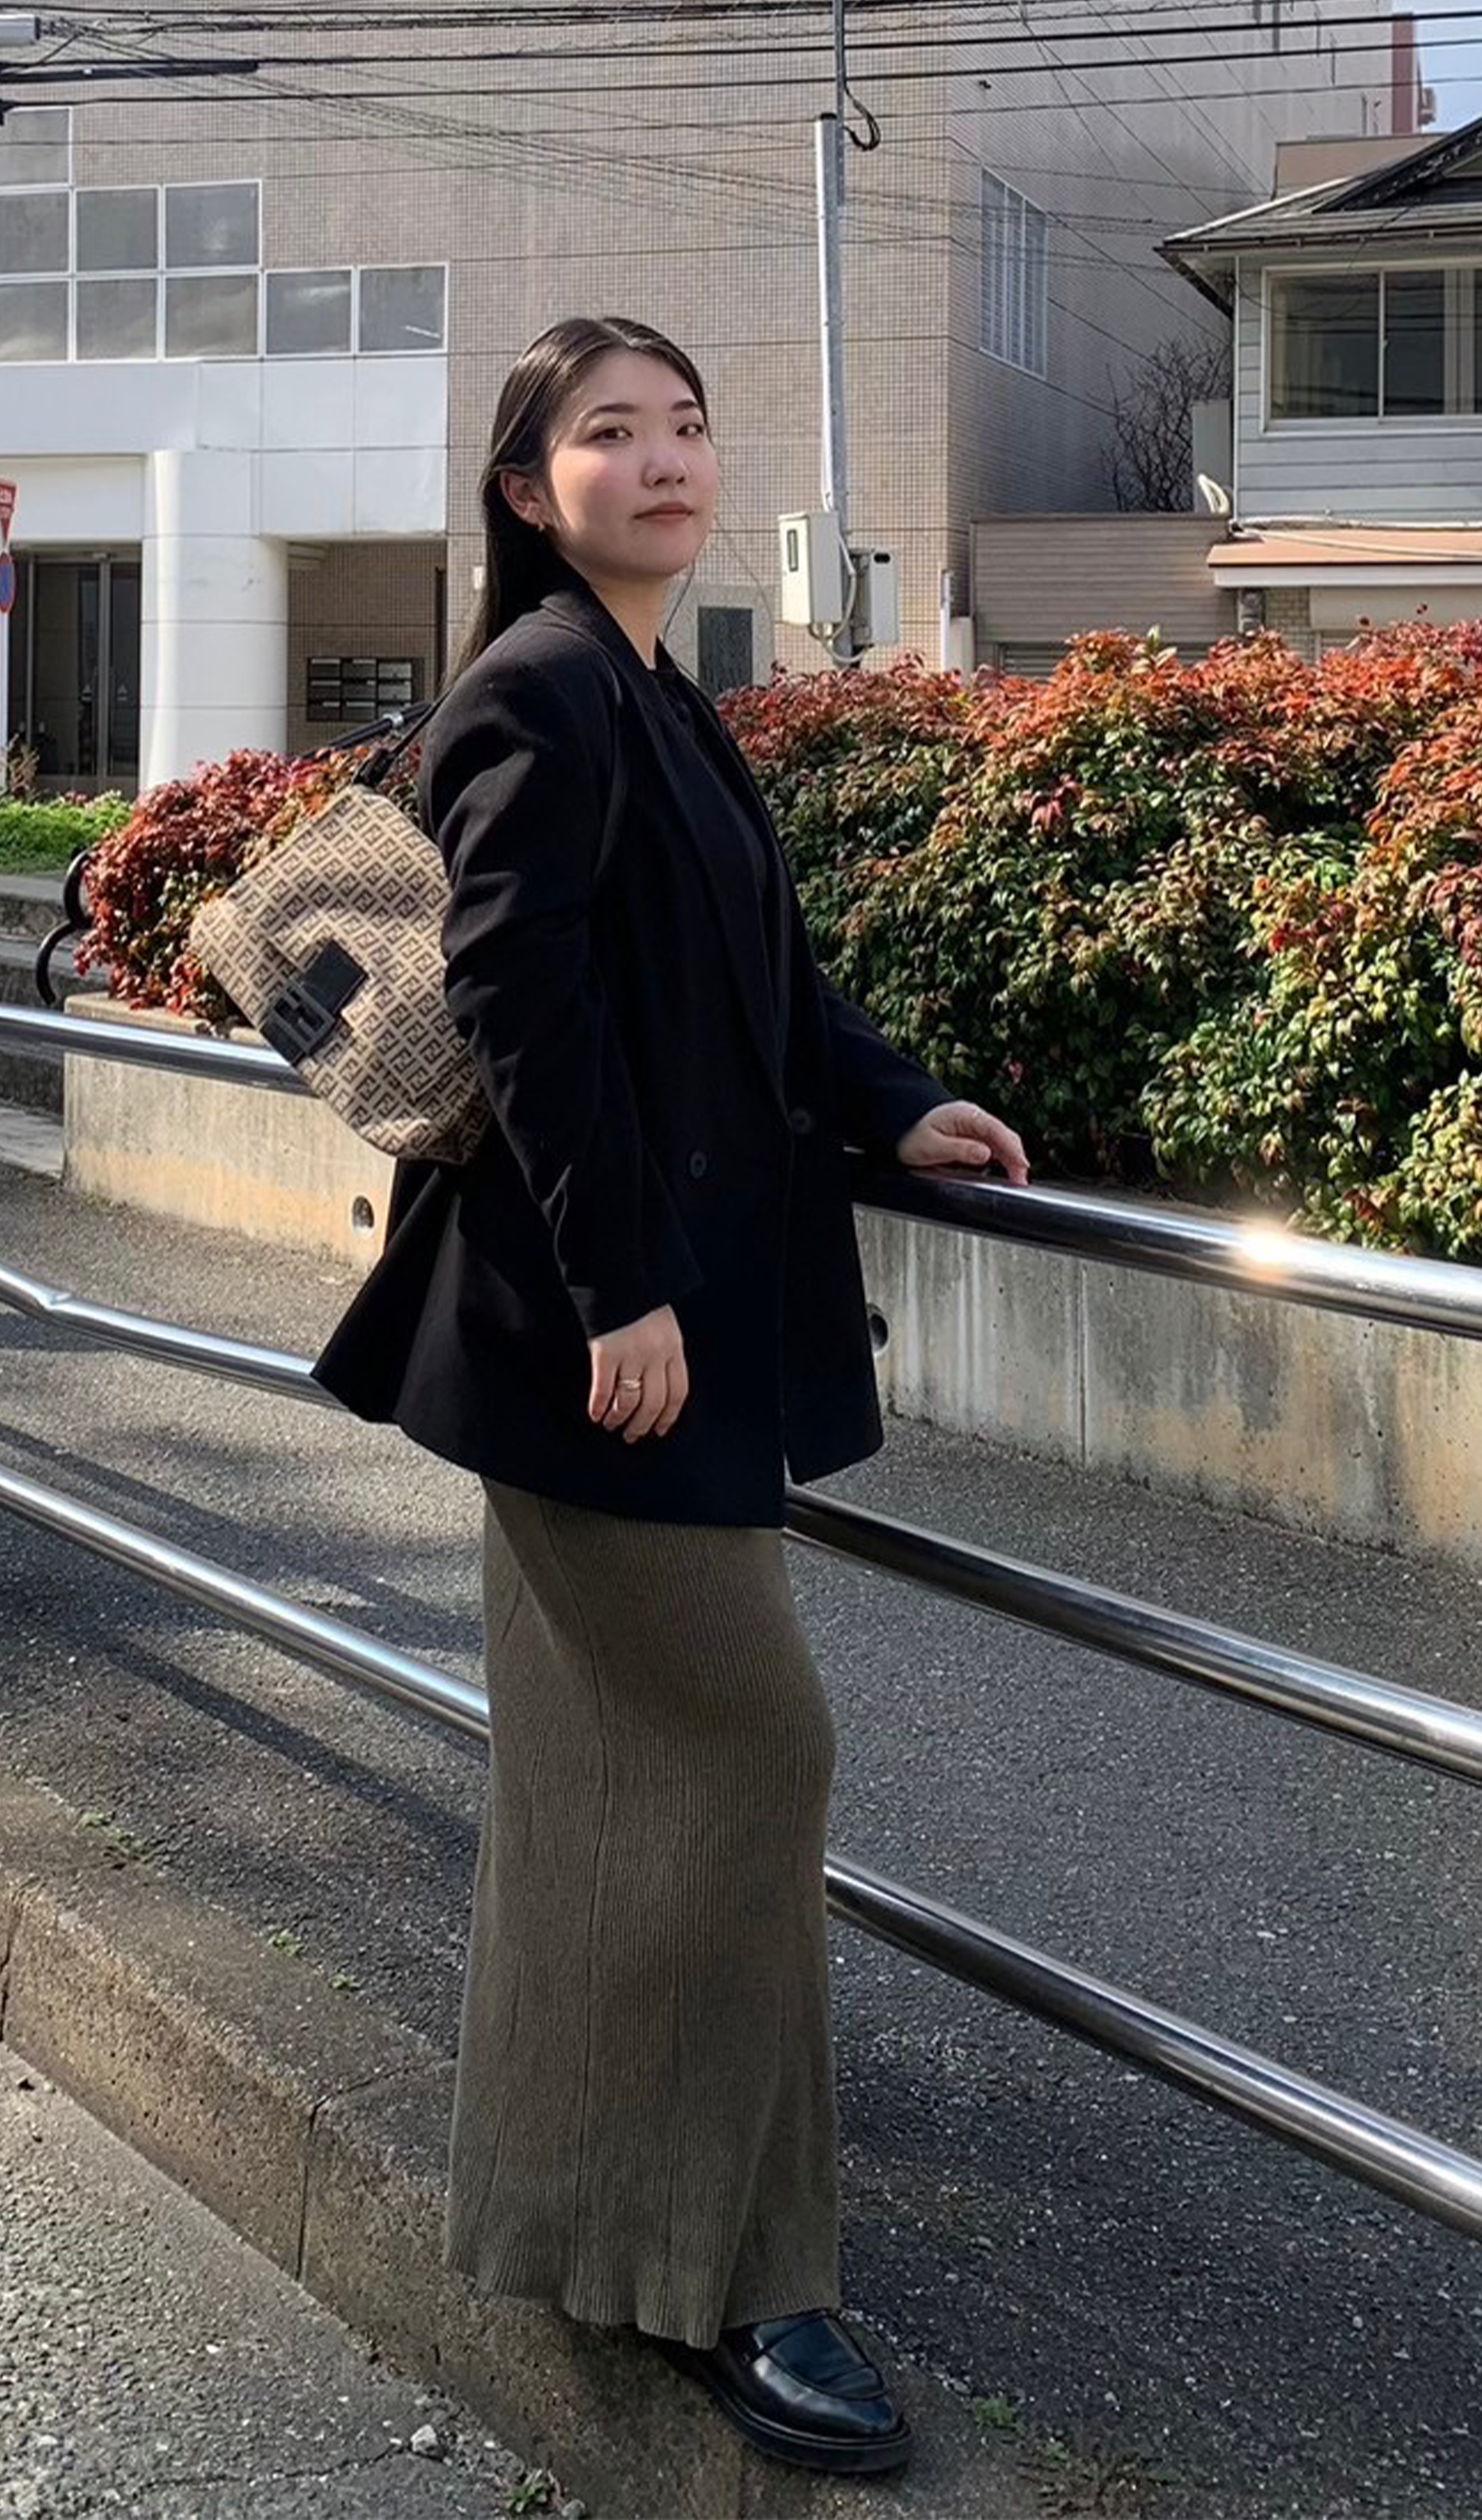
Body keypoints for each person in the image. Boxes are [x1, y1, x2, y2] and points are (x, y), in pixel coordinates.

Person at [314, 315, 1028, 2480]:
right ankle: (734, 2280)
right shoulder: (540, 689)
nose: (666, 460)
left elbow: (761, 986)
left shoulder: (657, 692)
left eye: (690, 426)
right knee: (737, 1759)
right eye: (610, 432)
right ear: (526, 489)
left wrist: (891, 1106)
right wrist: (619, 1284)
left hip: (667, 1322)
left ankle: (596, 2226)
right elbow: (518, 995)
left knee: (610, 1786)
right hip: (604, 1340)